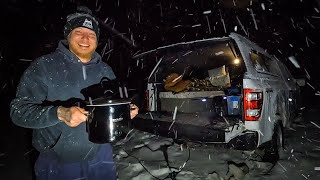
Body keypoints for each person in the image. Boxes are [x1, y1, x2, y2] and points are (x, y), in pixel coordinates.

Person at [10, 7, 139, 180]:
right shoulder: (44, 66)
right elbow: (18, 111)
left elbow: (110, 106)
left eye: (91, 34)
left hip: (101, 157)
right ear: (68, 35)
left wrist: (124, 112)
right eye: (79, 32)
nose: (86, 38)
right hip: (59, 162)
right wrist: (59, 113)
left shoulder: (105, 70)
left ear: (97, 40)